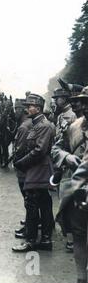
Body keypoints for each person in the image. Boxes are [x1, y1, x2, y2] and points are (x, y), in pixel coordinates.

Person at [12, 94, 56, 252]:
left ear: (37, 108)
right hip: (39, 168)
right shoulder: (38, 124)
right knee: (43, 203)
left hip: (39, 169)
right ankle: (45, 240)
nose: (27, 108)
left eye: (30, 106)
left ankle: (30, 241)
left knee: (32, 204)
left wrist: (21, 163)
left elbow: (39, 150)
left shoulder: (43, 125)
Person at [54, 86, 88, 283]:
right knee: (78, 235)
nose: (83, 106)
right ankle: (81, 279)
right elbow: (56, 148)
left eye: (86, 101)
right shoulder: (74, 126)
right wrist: (66, 157)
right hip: (77, 193)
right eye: (83, 102)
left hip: (79, 188)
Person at [51, 88, 77, 252]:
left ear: (65, 98)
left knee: (70, 203)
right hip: (64, 162)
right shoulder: (60, 115)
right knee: (65, 202)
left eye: (58, 98)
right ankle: (71, 237)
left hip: (74, 164)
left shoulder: (73, 116)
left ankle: (73, 238)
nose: (55, 101)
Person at [13, 97, 33, 239]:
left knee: (28, 200)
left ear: (22, 110)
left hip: (24, 168)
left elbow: (19, 150)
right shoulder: (29, 123)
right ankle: (29, 225)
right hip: (30, 167)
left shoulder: (24, 126)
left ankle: (29, 230)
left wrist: (16, 162)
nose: (15, 112)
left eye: (16, 109)